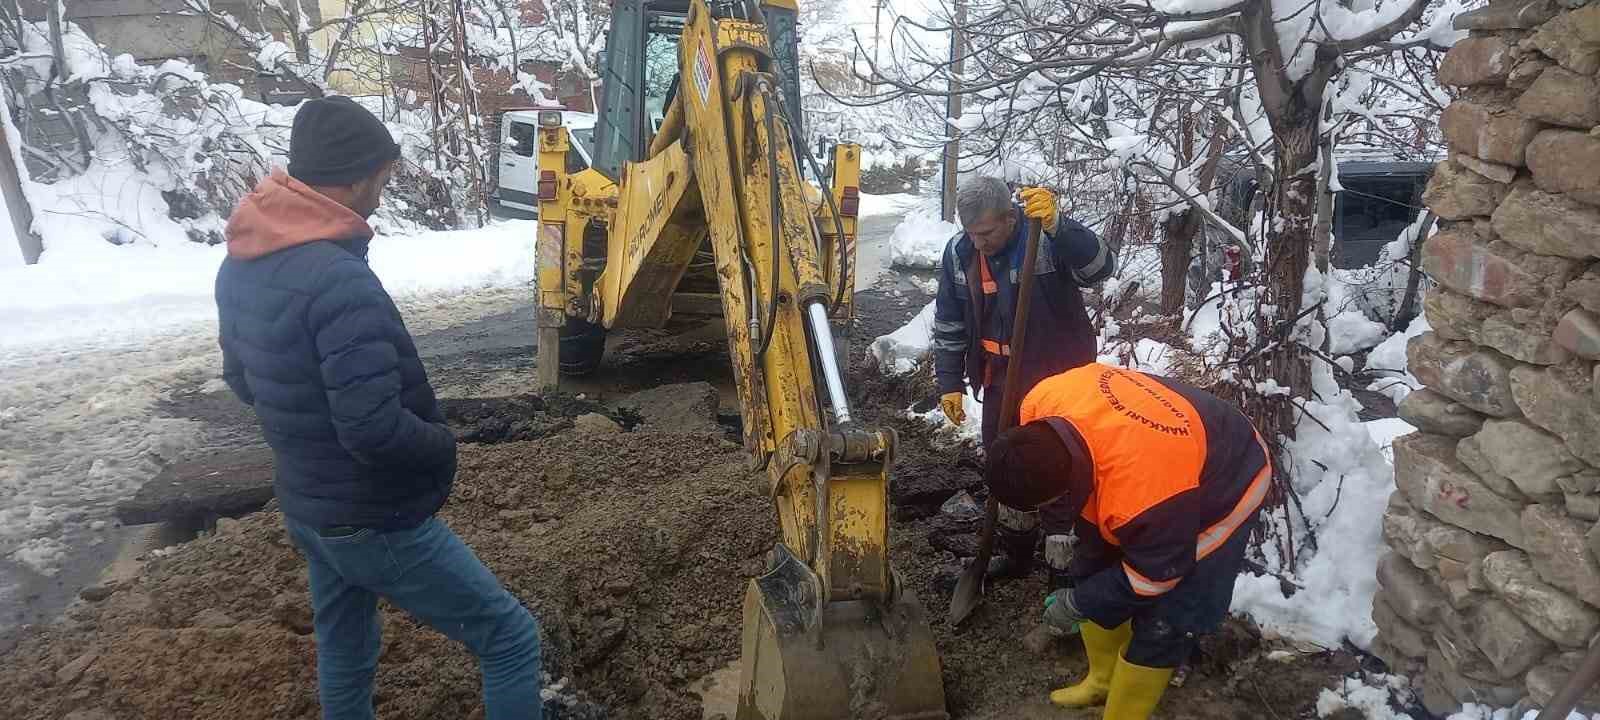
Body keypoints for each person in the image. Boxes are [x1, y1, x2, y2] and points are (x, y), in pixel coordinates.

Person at [215, 96, 542, 720]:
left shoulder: (242, 263)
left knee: (346, 644)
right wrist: (441, 443)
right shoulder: (338, 280)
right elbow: (371, 427)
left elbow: (244, 381)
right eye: (384, 181)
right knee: (509, 639)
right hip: (371, 516)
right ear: (359, 176)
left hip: (309, 507)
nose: (382, 198)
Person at [984, 362, 1271, 719]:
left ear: (1060, 489)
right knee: (1090, 566)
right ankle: (1102, 681)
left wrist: (1079, 603)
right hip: (1147, 451)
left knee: (1168, 618)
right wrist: (1087, 593)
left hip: (1229, 474)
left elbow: (1158, 573)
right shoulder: (1039, 401)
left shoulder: (1145, 494)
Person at [932, 176, 1115, 581]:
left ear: (1010, 218)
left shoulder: (1044, 239)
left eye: (986, 232)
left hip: (1060, 383)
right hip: (1000, 380)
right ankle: (1015, 554)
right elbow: (948, 321)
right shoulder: (960, 253)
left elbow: (1101, 267)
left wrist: (1060, 226)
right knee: (1008, 465)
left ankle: (1062, 566)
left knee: (1058, 468)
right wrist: (949, 382)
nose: (978, 242)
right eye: (971, 233)